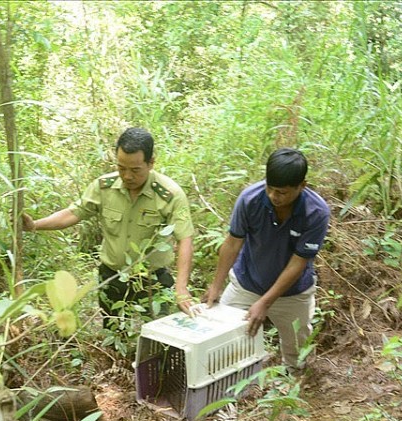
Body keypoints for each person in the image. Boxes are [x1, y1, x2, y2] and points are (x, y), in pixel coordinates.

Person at [22, 127, 195, 328]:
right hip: (112, 276)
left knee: (158, 337)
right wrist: (34, 225)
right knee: (113, 331)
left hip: (151, 281)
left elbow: (185, 239)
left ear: (151, 163)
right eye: (122, 168)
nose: (127, 176)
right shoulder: (104, 187)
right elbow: (73, 213)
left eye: (135, 170)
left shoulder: (170, 194)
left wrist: (181, 288)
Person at [202, 148, 329, 369]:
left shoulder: (316, 212)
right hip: (247, 283)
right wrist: (216, 286)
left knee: (298, 353)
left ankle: (293, 385)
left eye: (282, 192)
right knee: (220, 336)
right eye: (270, 188)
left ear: (302, 186)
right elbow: (232, 244)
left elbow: (298, 263)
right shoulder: (250, 200)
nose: (273, 196)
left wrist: (265, 302)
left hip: (293, 293)